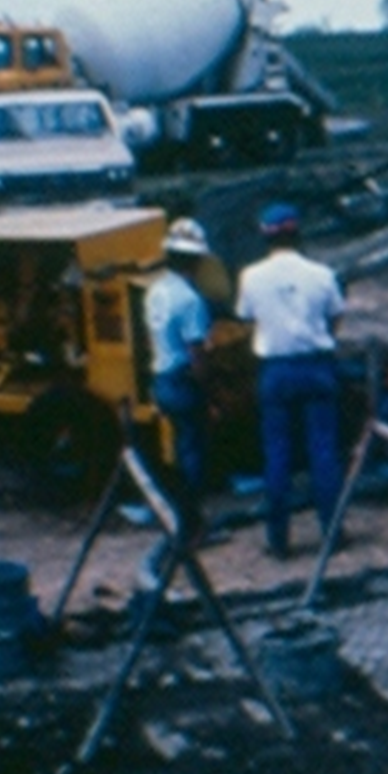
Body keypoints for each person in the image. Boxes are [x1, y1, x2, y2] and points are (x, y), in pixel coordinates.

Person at [235, 202, 348, 558]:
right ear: (298, 232)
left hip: (276, 369)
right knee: (324, 452)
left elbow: (247, 317)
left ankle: (279, 539)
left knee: (277, 456)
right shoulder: (321, 274)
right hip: (316, 366)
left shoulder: (251, 276)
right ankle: (331, 532)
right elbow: (335, 320)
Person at [145, 217, 218, 536]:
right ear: (196, 259)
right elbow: (197, 353)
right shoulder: (190, 300)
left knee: (177, 448)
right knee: (193, 453)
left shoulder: (155, 291)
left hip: (161, 376)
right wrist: (210, 391)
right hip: (183, 380)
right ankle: (191, 524)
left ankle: (178, 515)